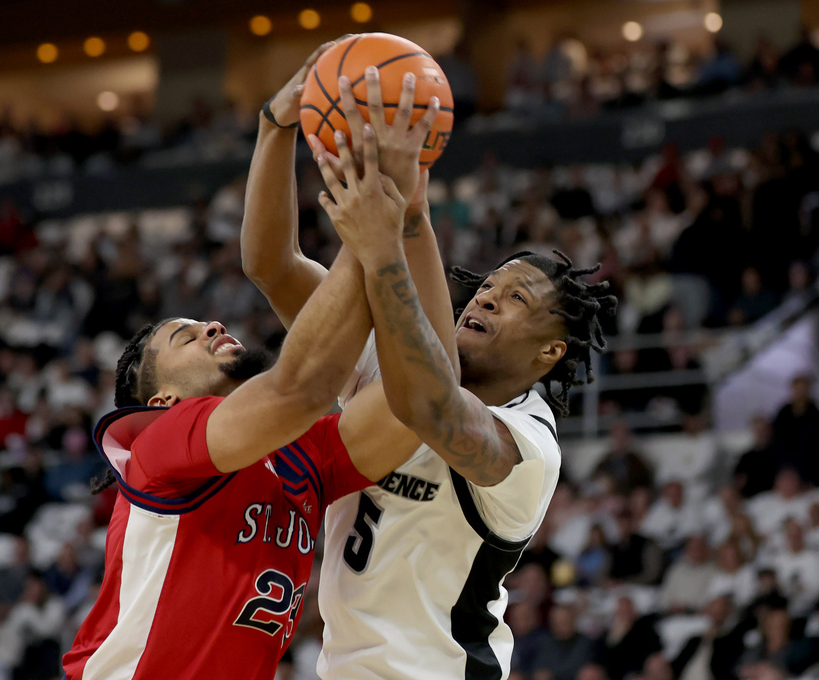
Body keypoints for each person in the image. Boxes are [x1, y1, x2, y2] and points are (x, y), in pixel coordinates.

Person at [62, 46, 442, 680]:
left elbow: (421, 404)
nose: (212, 323)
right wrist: (376, 209)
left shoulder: (301, 456)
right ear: (161, 402)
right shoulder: (156, 444)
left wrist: (407, 218)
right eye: (184, 336)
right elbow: (301, 386)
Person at [243, 55, 615, 679]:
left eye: (517, 298)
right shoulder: (385, 365)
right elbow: (272, 265)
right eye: (488, 286)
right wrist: (274, 129)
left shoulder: (528, 447)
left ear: (551, 353)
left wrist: (397, 233)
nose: (487, 296)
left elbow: (430, 405)